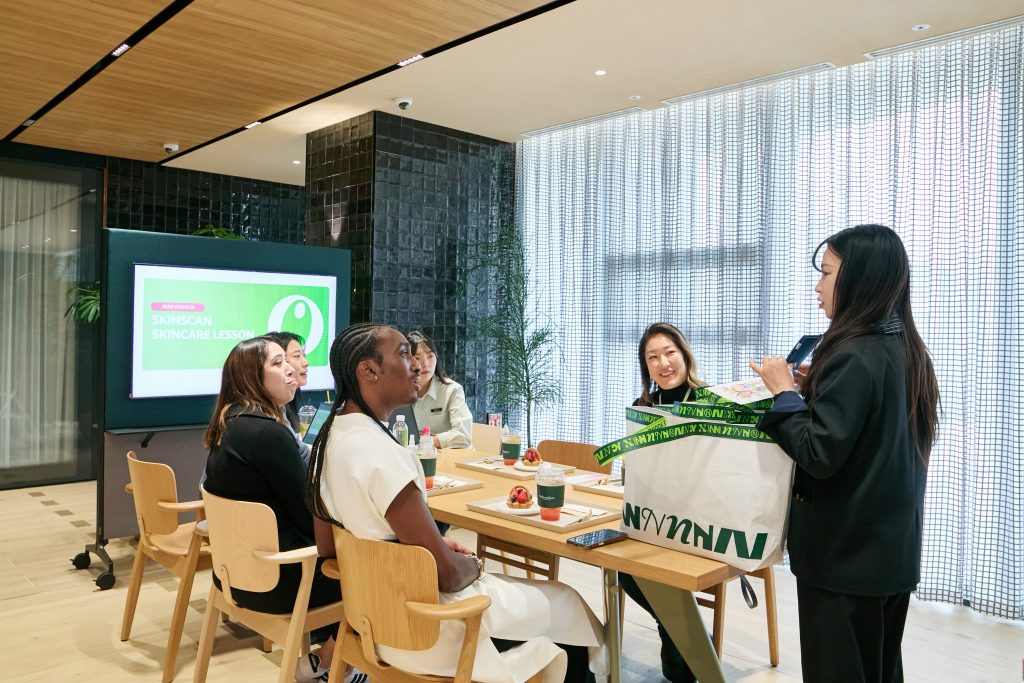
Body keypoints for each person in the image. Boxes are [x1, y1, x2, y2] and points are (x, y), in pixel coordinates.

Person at [305, 323, 605, 683]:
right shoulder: (384, 454)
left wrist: (419, 546)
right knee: (568, 606)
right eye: (404, 354)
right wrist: (472, 565)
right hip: (430, 631)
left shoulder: (328, 440)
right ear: (368, 370)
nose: (416, 365)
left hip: (374, 624)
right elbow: (448, 576)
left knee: (555, 605)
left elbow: (330, 547)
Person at [749, 224, 939, 682]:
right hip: (889, 552)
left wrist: (784, 394)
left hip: (844, 559)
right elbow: (867, 437)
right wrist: (815, 390)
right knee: (878, 668)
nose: (818, 286)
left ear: (859, 278)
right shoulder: (905, 348)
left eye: (827, 273)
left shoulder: (853, 354)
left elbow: (818, 451)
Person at [201, 336, 342, 683]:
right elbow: (309, 517)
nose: (291, 369)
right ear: (252, 377)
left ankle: (330, 662)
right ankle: (330, 665)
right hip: (280, 581)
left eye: (288, 361)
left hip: (234, 575)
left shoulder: (230, 423)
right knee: (375, 567)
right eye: (278, 363)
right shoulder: (267, 434)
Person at [619, 322, 704, 683]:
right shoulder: (643, 407)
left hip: (700, 518)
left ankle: (681, 643)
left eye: (669, 353)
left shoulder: (709, 403)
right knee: (625, 569)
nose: (663, 363)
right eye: (653, 357)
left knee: (661, 569)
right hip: (655, 516)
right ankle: (679, 631)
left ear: (684, 354)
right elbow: (636, 469)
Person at [408, 330, 473, 448]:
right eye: (417, 358)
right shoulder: (399, 392)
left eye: (430, 356)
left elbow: (463, 435)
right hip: (416, 455)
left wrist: (426, 441)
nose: (426, 364)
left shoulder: (452, 390)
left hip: (453, 455)